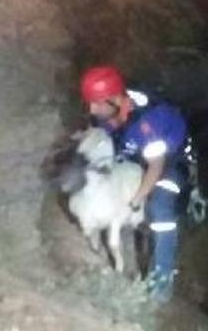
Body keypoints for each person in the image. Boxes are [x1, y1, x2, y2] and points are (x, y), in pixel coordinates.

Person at [79, 65, 195, 303]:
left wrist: (137, 198)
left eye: (97, 103)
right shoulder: (106, 111)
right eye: (90, 103)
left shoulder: (148, 121)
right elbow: (98, 137)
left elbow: (155, 167)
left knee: (159, 209)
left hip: (170, 161)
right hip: (132, 157)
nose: (92, 109)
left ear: (115, 100)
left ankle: (161, 283)